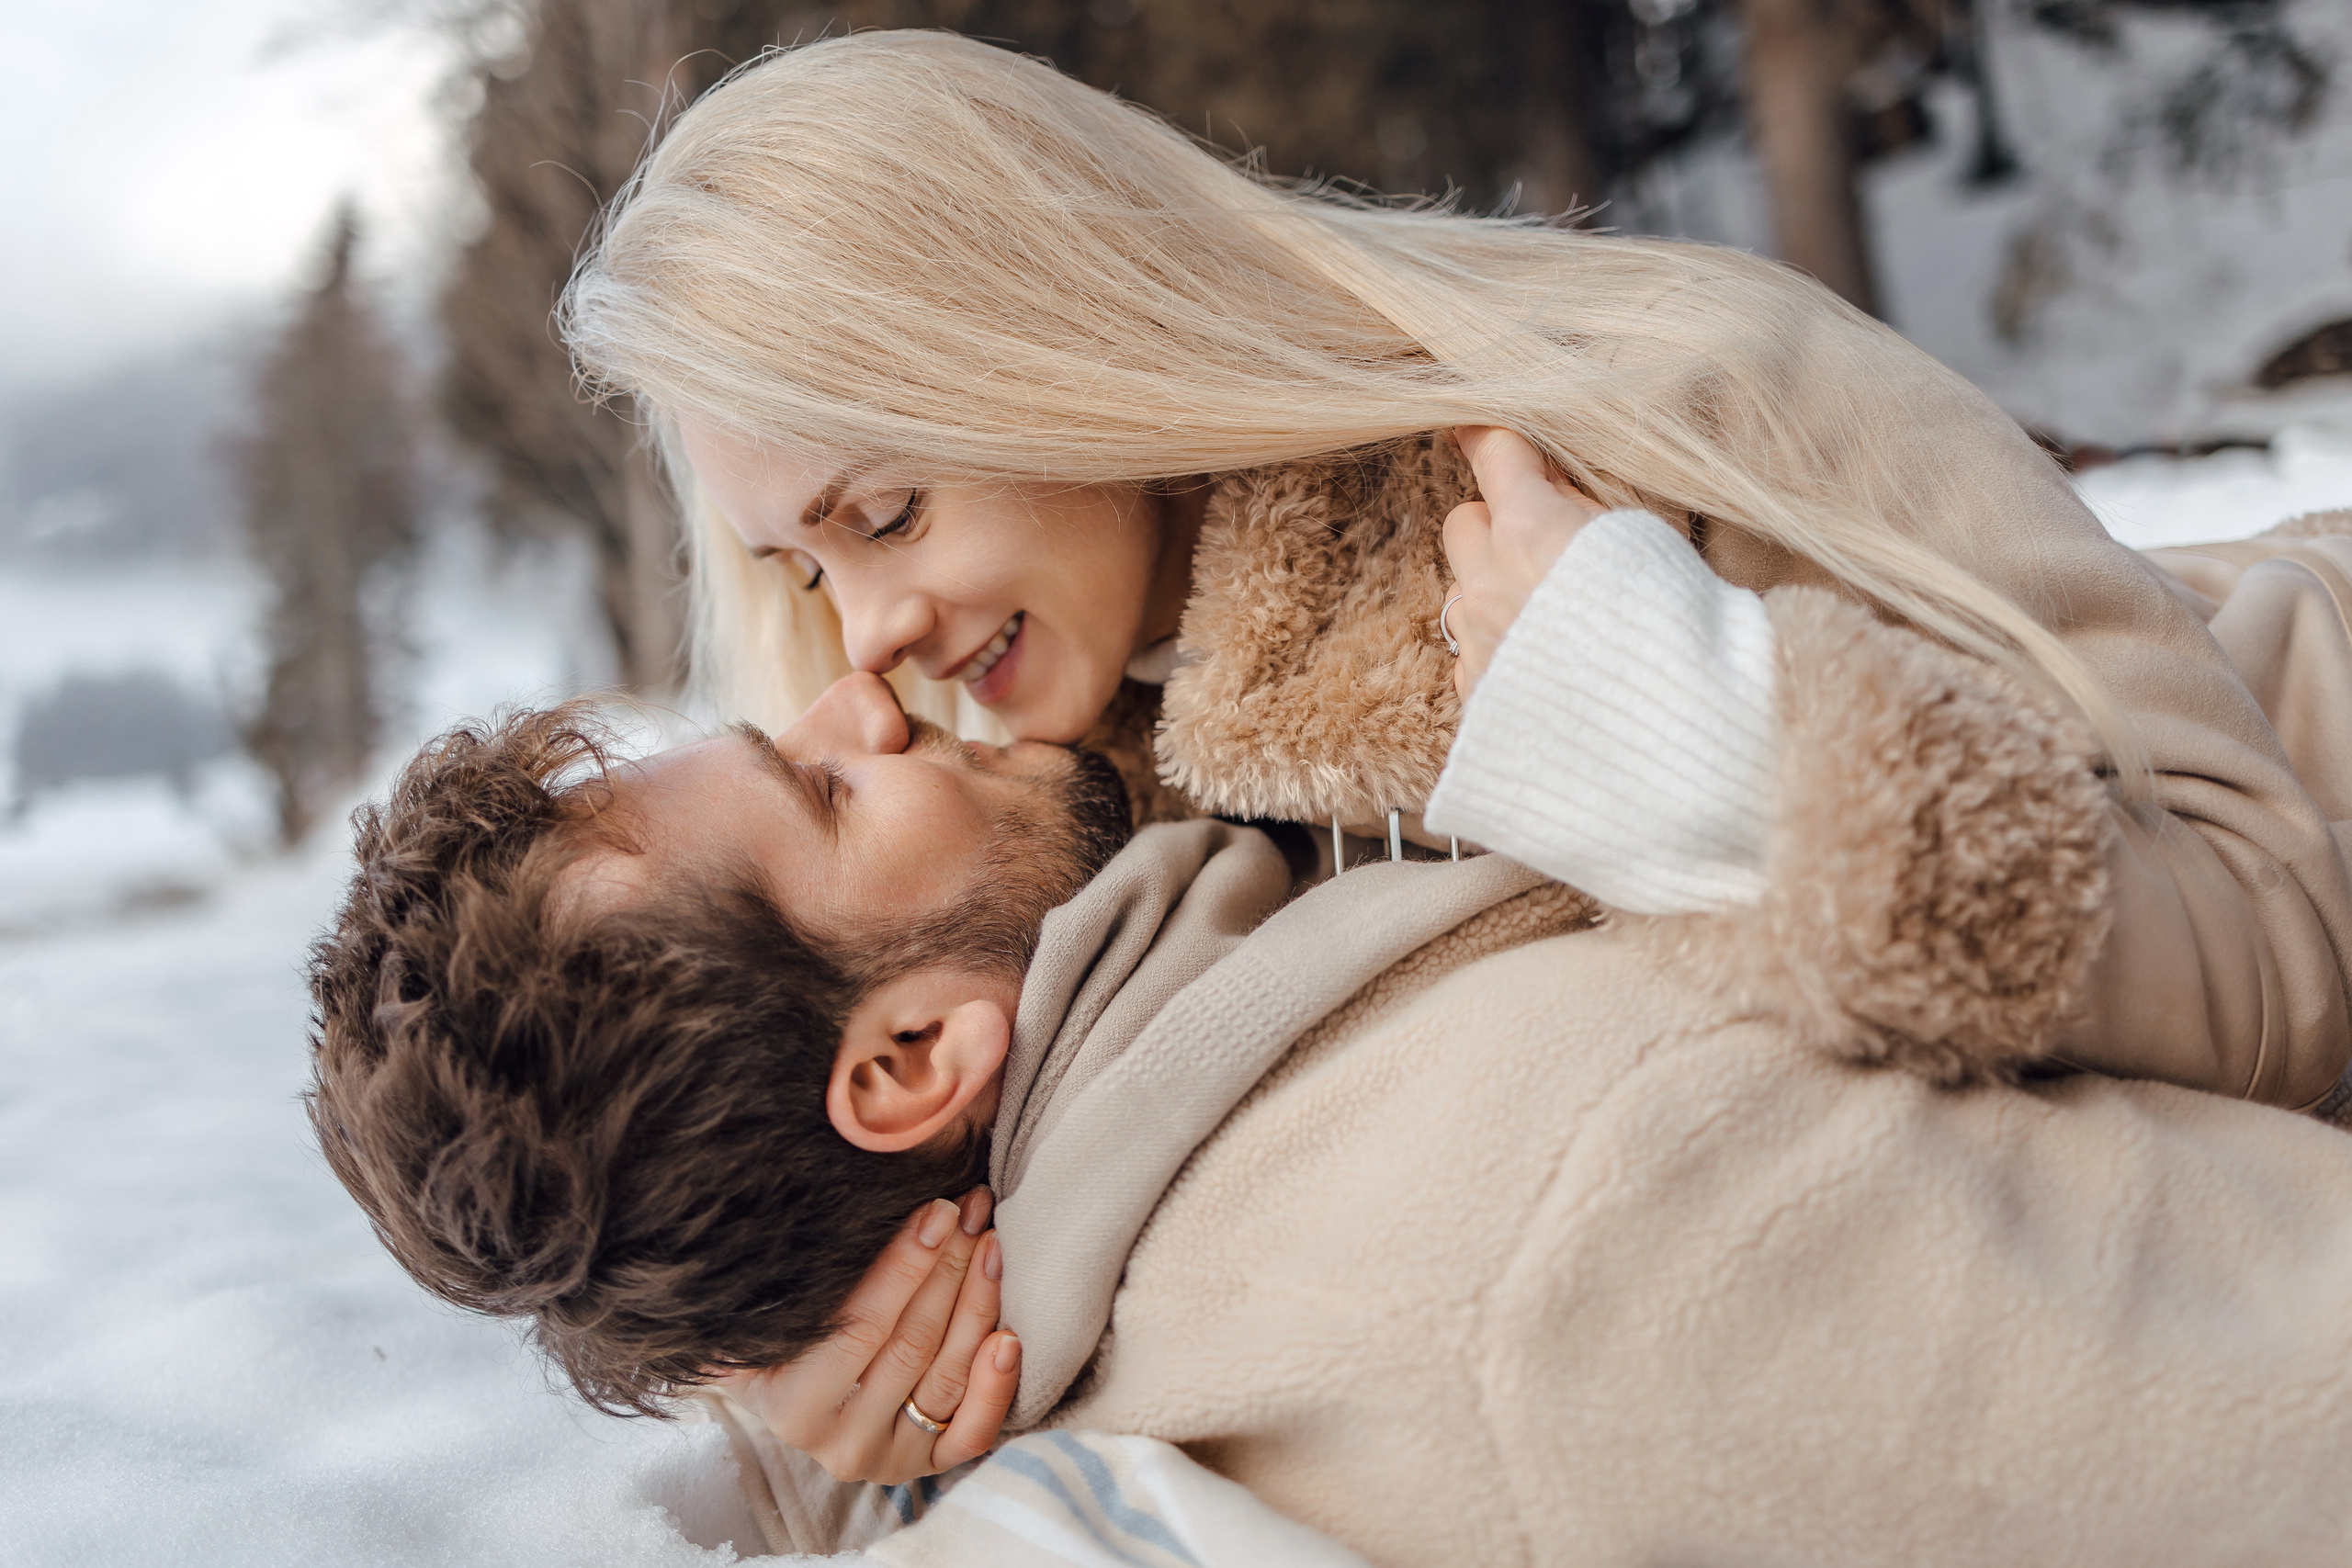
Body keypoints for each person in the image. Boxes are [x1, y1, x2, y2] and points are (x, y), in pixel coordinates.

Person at [559, 24, 2352, 1495]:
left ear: (1048, 330)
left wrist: (1728, 751)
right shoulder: (1056, 819)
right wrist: (838, 1382)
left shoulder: (1650, 402)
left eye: (884, 510)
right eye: (806, 564)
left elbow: (2279, 949)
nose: (859, 640)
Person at [309, 672, 2352, 1565]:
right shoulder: (1546, 1211)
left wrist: (826, 1431)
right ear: (911, 1064)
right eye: (825, 792)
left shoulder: (1168, 1137)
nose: (860, 693)